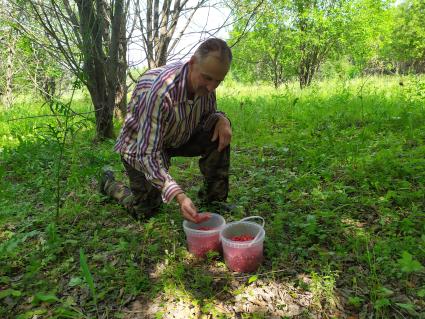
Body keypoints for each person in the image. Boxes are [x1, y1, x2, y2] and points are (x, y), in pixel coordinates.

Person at [100, 38, 232, 224]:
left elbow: (207, 117)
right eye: (207, 78)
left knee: (219, 131)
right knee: (147, 211)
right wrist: (179, 195)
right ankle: (110, 184)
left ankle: (214, 201)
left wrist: (221, 118)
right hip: (140, 147)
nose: (211, 87)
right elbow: (147, 154)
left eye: (218, 81)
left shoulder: (206, 83)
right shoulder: (161, 92)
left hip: (177, 135)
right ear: (192, 63)